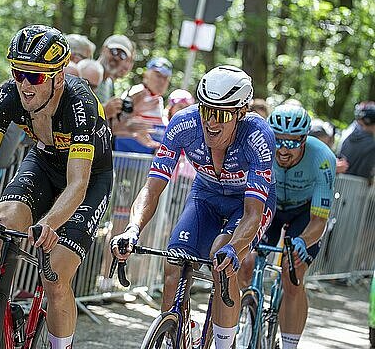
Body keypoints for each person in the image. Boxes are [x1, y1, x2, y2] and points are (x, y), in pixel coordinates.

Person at [0, 25, 113, 349]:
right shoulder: (8, 95)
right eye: (19, 73)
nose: (24, 85)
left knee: (55, 275)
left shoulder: (79, 104)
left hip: (87, 178)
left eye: (36, 77)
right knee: (2, 225)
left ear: (58, 77)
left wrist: (49, 223)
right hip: (44, 162)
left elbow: (78, 182)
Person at [111, 65, 277, 349]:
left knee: (221, 261)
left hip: (247, 204)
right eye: (206, 110)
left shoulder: (258, 136)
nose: (211, 121)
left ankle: (224, 343)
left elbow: (253, 213)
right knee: (174, 260)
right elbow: (152, 187)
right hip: (205, 197)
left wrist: (234, 248)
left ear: (241, 112)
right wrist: (132, 229)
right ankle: (173, 333)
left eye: (223, 114)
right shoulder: (183, 124)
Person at [238, 104, 337, 349]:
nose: (283, 149)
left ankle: (290, 344)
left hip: (303, 213)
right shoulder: (260, 148)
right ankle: (249, 313)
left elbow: (319, 220)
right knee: (245, 262)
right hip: (268, 208)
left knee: (293, 275)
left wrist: (303, 240)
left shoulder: (322, 159)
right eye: (277, 140)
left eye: (292, 143)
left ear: (304, 139)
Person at [339, 101, 375, 181]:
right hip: (357, 189)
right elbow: (365, 172)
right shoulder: (371, 144)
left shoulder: (349, 133)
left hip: (339, 183)